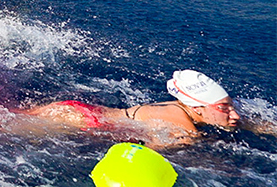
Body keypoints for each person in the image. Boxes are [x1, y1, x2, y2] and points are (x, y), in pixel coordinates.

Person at [23, 70, 273, 147]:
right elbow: (165, 149)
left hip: (83, 110)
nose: (235, 114)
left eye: (231, 106)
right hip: (80, 118)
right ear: (197, 107)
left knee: (9, 115)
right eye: (224, 108)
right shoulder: (179, 119)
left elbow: (254, 123)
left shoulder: (197, 110)